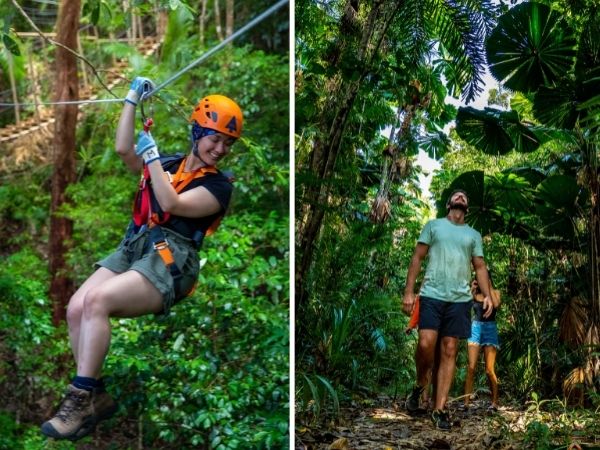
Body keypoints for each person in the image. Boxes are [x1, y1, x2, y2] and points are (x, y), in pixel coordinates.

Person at [41, 77, 243, 440]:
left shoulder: (219, 186)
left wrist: (151, 158)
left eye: (227, 143)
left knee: (98, 301)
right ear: (197, 132)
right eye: (215, 139)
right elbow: (124, 151)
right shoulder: (168, 162)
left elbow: (173, 204)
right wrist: (132, 100)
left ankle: (78, 399)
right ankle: (97, 395)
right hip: (138, 245)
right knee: (76, 307)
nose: (221, 149)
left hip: (172, 259)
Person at [402, 189, 493, 430]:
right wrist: (409, 292)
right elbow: (417, 257)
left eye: (465, 196)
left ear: (467, 207)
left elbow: (480, 267)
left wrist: (489, 296)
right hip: (432, 294)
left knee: (450, 349)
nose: (462, 197)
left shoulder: (473, 235)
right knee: (425, 344)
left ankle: (439, 409)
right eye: (458, 195)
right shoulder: (433, 226)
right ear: (449, 204)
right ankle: (421, 382)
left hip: (459, 299)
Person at [464, 274, 501, 410]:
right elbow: (464, 304)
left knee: (489, 370)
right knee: (471, 367)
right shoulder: (474, 294)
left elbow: (496, 304)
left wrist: (488, 286)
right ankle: (466, 403)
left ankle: (494, 402)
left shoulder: (495, 292)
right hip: (475, 328)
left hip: (490, 329)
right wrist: (472, 289)